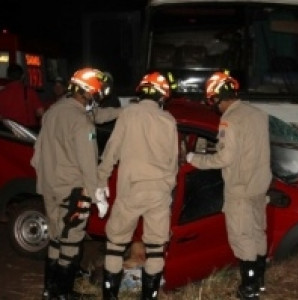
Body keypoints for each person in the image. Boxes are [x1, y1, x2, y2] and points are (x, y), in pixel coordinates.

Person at [31, 67, 122, 299]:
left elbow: (37, 153)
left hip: (49, 186)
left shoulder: (55, 110)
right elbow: (89, 165)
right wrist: (96, 195)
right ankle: (63, 293)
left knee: (55, 238)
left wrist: (122, 111)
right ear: (88, 92)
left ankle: (49, 290)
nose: (98, 97)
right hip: (72, 190)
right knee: (71, 242)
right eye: (97, 93)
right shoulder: (82, 123)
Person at [186, 71, 272, 300]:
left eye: (213, 101)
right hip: (259, 186)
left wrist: (193, 159)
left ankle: (249, 288)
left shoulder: (229, 121)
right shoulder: (258, 114)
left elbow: (224, 158)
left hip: (240, 190)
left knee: (242, 238)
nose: (214, 107)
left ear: (218, 98)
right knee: (257, 234)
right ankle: (260, 282)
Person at [95, 71, 178, 299]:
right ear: (162, 96)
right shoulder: (169, 120)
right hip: (159, 192)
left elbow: (112, 151)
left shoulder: (129, 114)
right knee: (155, 250)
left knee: (115, 244)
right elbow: (173, 161)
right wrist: (169, 190)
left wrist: (101, 181)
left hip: (132, 190)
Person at [0, 63, 44, 128]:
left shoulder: (2, 93)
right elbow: (41, 112)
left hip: (8, 132)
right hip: (27, 132)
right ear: (22, 76)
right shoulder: (30, 92)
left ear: (7, 76)